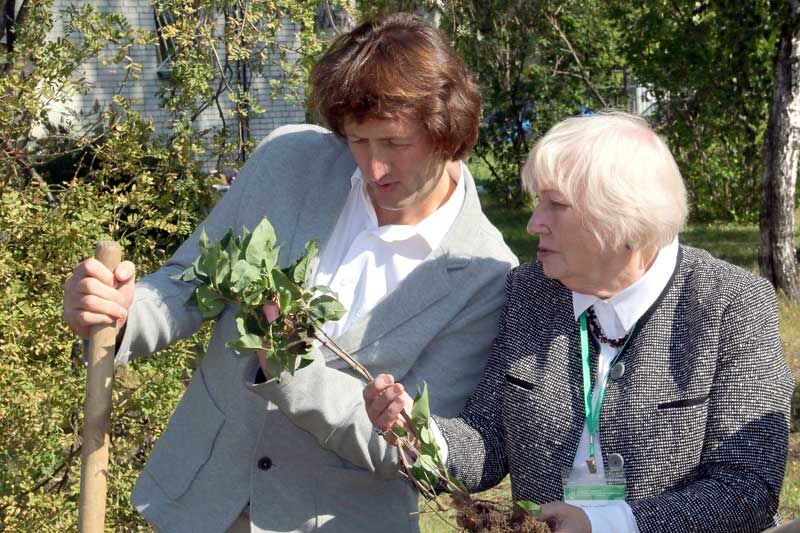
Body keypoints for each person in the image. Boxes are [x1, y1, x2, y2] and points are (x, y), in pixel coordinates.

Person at [63, 13, 517, 533]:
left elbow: (414, 446)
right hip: (203, 502)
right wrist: (120, 314)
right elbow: (189, 282)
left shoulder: (485, 273)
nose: (373, 169)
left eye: (394, 144)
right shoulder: (290, 160)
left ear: (447, 131)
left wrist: (292, 373)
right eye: (357, 141)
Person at [364, 112, 795, 533]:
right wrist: (420, 432)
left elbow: (747, 490)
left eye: (556, 205)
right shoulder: (530, 292)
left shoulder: (731, 303)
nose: (534, 224)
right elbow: (487, 441)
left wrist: (609, 524)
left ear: (622, 217)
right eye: (538, 203)